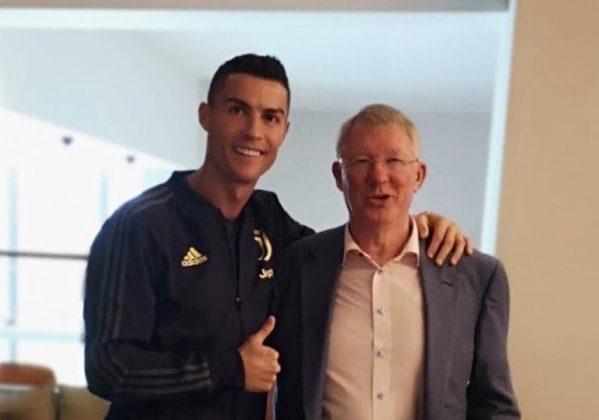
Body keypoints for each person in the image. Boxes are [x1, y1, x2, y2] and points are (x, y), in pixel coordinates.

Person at [83, 55, 472, 420]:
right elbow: (107, 369)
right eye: (237, 110)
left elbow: (352, 249)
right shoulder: (140, 225)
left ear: (284, 132)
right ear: (206, 116)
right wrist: (230, 368)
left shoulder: (271, 221)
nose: (254, 131)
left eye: (270, 117)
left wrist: (419, 227)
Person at [275, 104, 520, 420]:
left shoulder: (475, 277)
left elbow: (495, 407)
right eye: (362, 162)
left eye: (394, 161)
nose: (379, 176)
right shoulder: (296, 265)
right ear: (339, 176)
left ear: (418, 175)